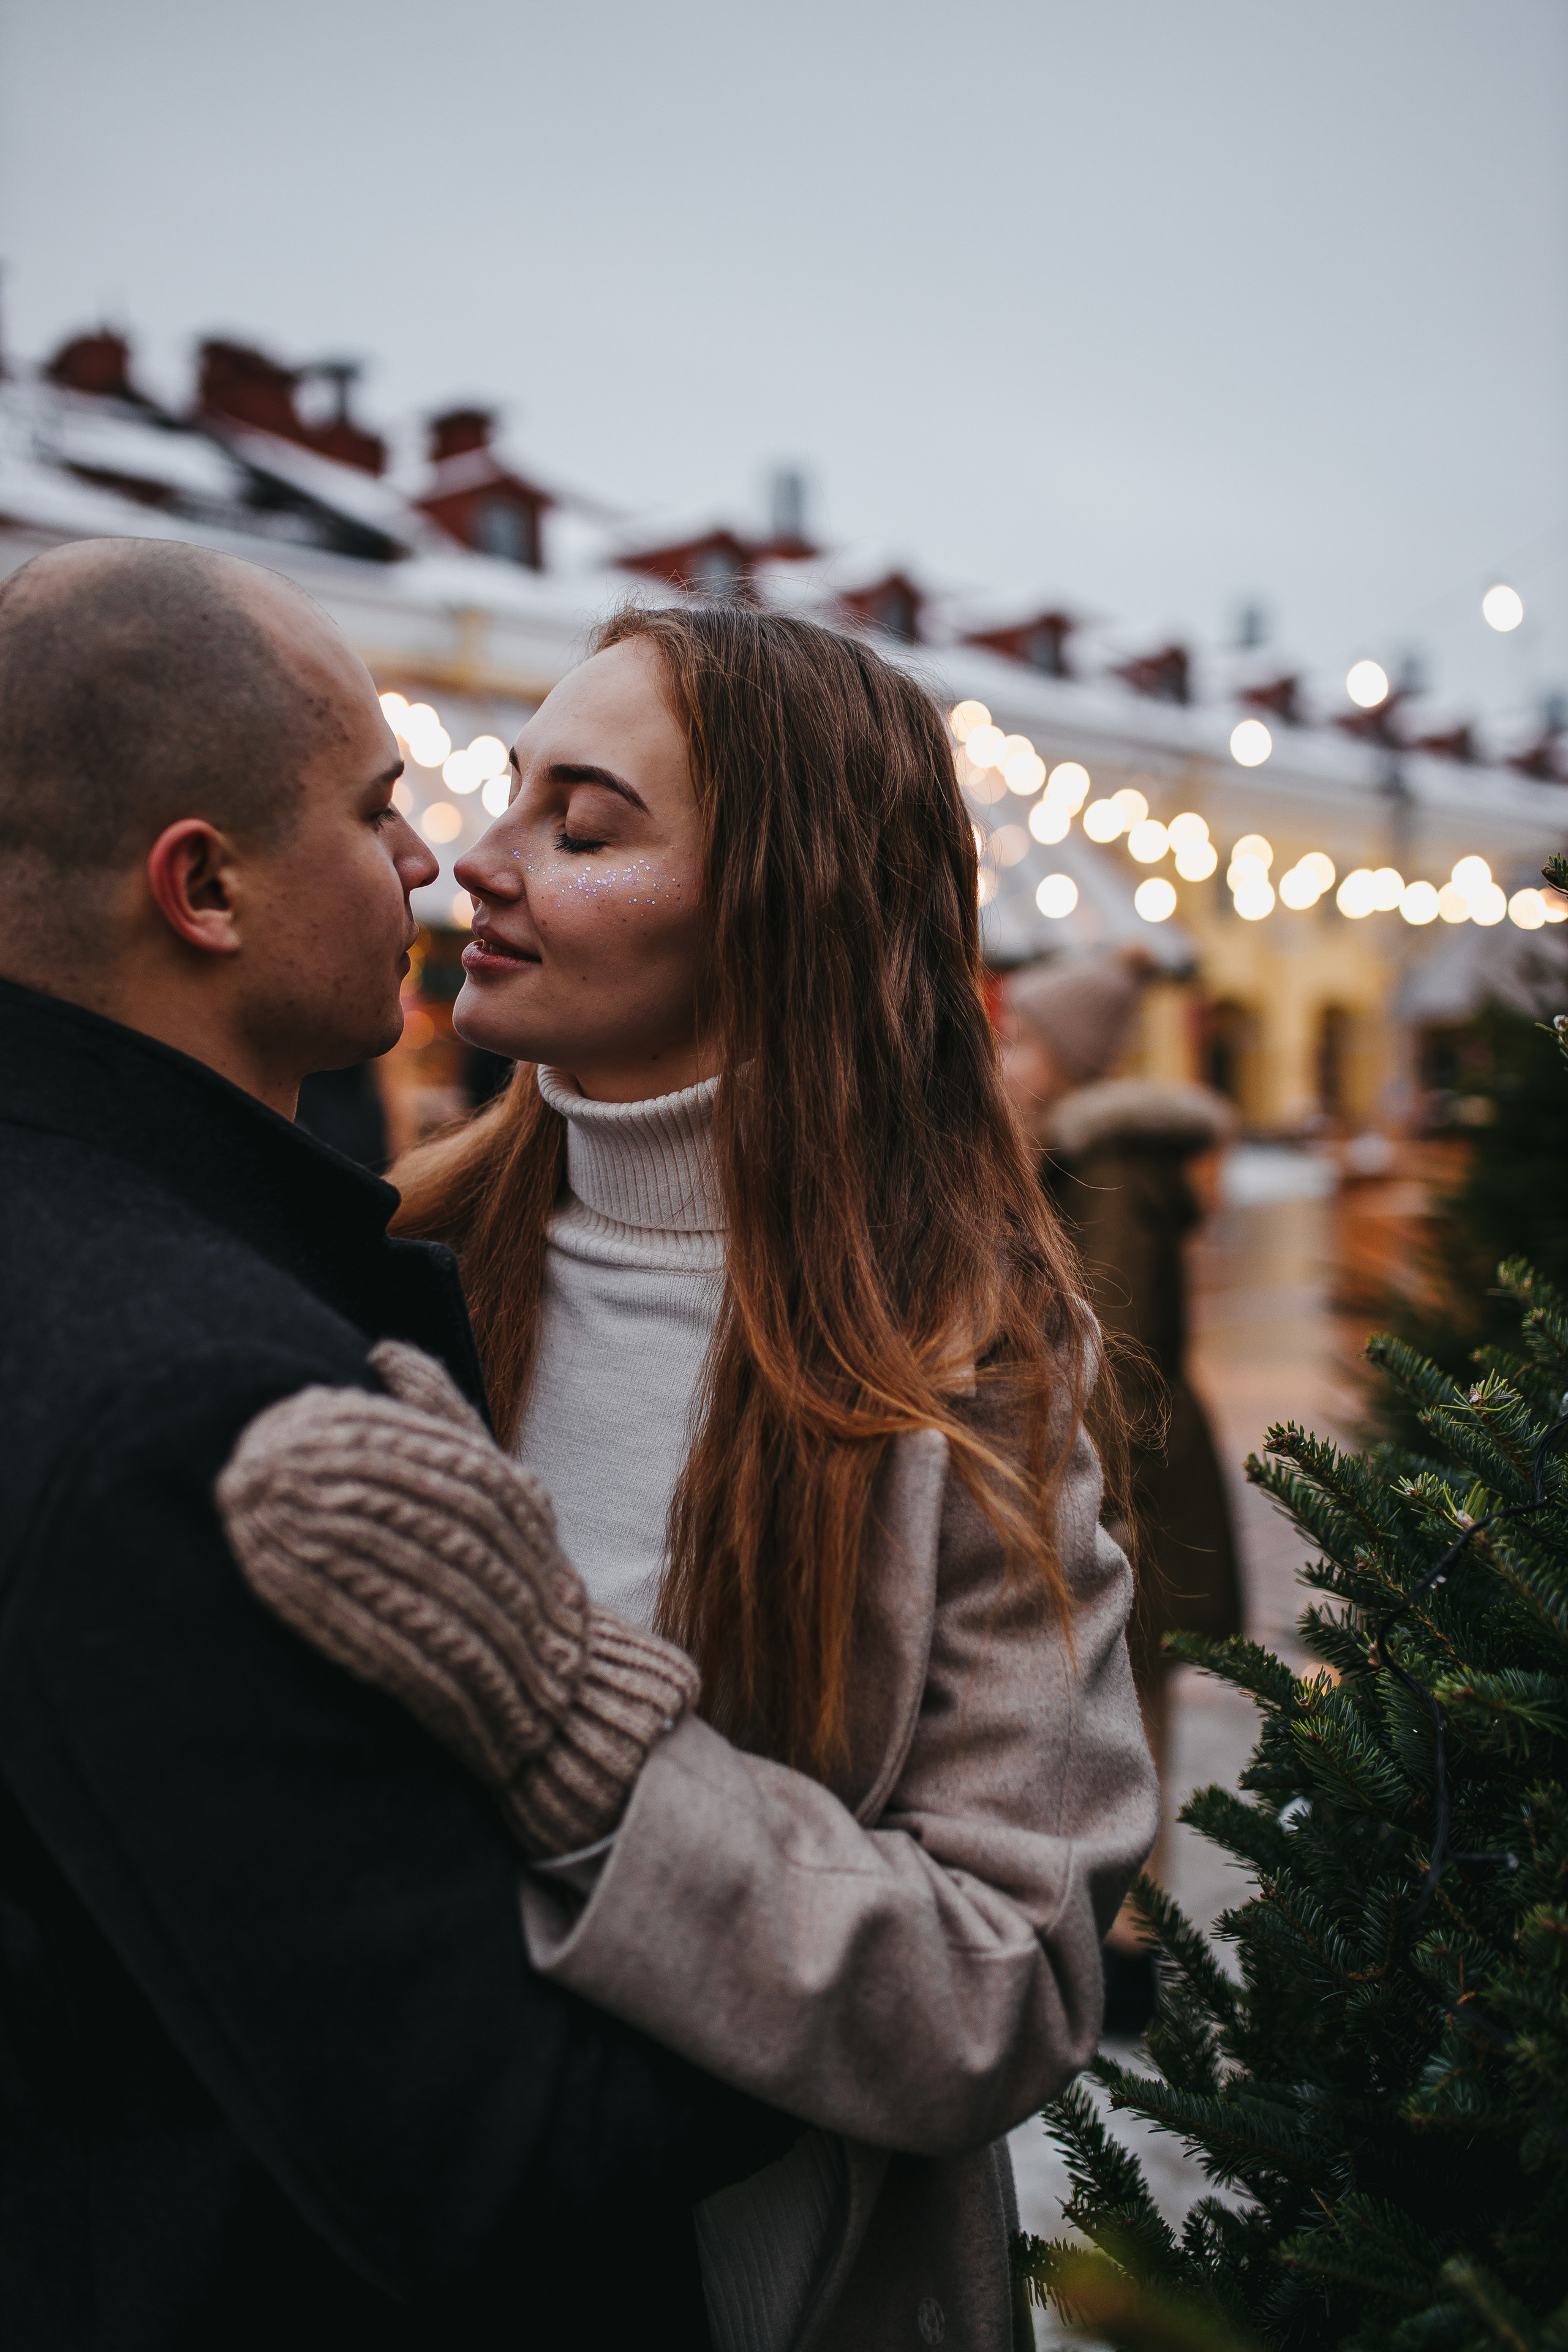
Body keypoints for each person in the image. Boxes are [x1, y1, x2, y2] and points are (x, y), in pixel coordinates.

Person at [226, 604, 1161, 2352]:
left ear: (788, 907)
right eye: (507, 799)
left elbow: (1008, 1980)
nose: (469, 867)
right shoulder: (372, 1260)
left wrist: (588, 1750)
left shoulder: (965, 1353)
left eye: (579, 829)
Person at [0, 540, 797, 2350]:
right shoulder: (205, 1406)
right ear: (201, 887)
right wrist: (885, 1967)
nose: (440, 865)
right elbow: (502, 2147)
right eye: (378, 815)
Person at [999, 949, 1243, 2034]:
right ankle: (1111, 1947)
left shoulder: (1107, 1171)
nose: (1003, 1057)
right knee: (1109, 1719)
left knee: (1125, 1722)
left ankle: (1127, 1963)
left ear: (1069, 1058)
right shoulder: (1073, 1157)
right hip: (1116, 1483)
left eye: (1022, 1040)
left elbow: (1118, 1358)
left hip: (1134, 1493)